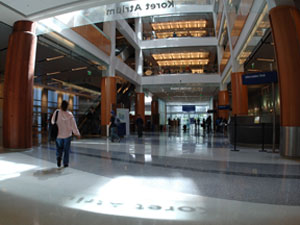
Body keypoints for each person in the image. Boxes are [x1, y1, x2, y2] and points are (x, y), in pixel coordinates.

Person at [51, 100, 80, 168]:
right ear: (67, 106)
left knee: (59, 148)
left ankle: (58, 157)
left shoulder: (57, 112)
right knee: (66, 150)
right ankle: (65, 163)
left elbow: (52, 121)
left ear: (61, 105)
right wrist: (77, 133)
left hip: (58, 135)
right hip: (67, 135)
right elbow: (73, 125)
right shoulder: (70, 114)